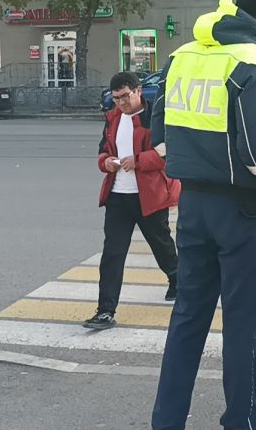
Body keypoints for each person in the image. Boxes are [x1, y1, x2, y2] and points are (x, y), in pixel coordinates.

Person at [150, 0, 256, 430]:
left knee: (187, 321)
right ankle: (240, 422)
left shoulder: (182, 56)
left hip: (192, 206)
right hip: (242, 212)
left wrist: (196, 163)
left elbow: (159, 134)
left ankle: (167, 421)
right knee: (241, 327)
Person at [85, 72, 180, 331]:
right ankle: (105, 311)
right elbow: (103, 150)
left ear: (138, 91)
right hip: (118, 196)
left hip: (149, 195)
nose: (121, 103)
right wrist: (105, 162)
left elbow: (168, 155)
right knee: (112, 254)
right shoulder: (112, 118)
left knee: (161, 245)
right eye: (116, 99)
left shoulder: (154, 118)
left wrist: (137, 161)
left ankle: (177, 279)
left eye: (125, 97)